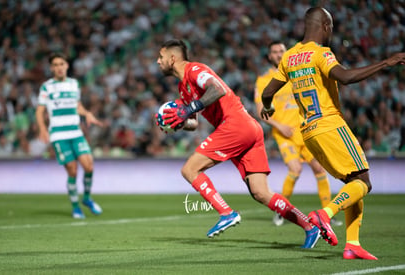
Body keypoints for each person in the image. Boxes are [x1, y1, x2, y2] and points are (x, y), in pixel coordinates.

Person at [261, 7, 405, 260]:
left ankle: (352, 244)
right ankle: (325, 214)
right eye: (332, 28)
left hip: (309, 132)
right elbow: (345, 77)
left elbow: (267, 92)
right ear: (325, 26)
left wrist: (267, 107)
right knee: (364, 182)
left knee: (353, 183)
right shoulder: (321, 53)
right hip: (329, 124)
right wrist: (386, 62)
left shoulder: (289, 57)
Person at [156, 39, 322, 248]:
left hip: (235, 124)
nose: (157, 61)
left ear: (173, 59)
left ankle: (226, 212)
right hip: (248, 129)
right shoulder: (183, 88)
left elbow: (217, 89)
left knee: (190, 170)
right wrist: (177, 122)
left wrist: (189, 109)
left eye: (161, 57)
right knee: (261, 193)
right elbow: (193, 123)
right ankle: (309, 226)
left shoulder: (195, 69)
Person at [254, 41, 342, 227]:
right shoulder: (264, 80)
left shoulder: (295, 73)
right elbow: (260, 110)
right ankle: (281, 211)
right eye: (274, 52)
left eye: (281, 51)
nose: (278, 55)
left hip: (306, 130)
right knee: (295, 169)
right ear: (269, 56)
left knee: (319, 169)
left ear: (286, 53)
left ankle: (328, 214)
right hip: (285, 134)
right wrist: (279, 126)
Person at [36, 52, 104, 219]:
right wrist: (43, 129)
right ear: (52, 68)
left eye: (62, 64)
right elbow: (40, 110)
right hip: (59, 134)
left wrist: (87, 114)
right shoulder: (47, 87)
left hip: (75, 131)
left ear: (67, 66)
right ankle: (75, 207)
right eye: (56, 65)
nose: (59, 67)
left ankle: (87, 198)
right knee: (72, 171)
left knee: (89, 166)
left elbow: (77, 106)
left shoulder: (74, 84)